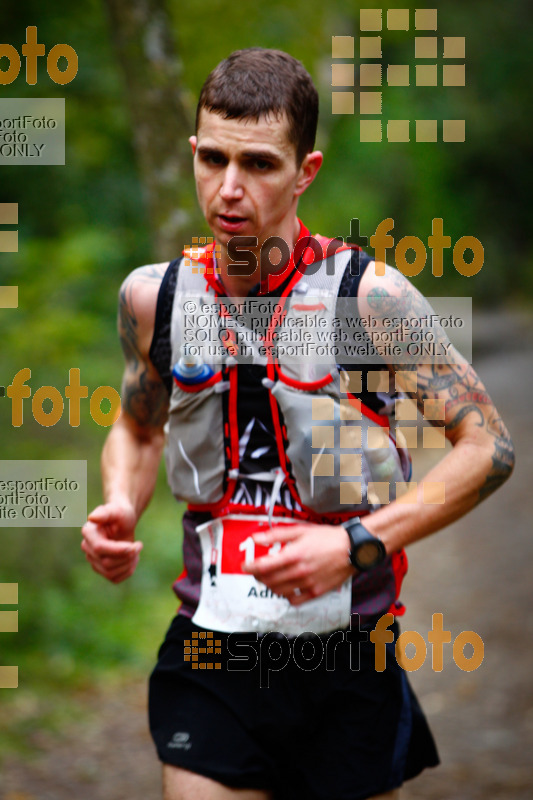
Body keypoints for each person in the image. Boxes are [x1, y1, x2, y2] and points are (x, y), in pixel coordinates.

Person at [81, 48, 515, 800]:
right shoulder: (157, 298)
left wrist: (356, 543)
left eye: (258, 164)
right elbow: (138, 429)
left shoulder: (366, 298)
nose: (228, 188)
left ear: (305, 171)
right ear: (192, 151)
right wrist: (121, 500)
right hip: (211, 651)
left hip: (346, 658)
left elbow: (489, 447)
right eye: (212, 158)